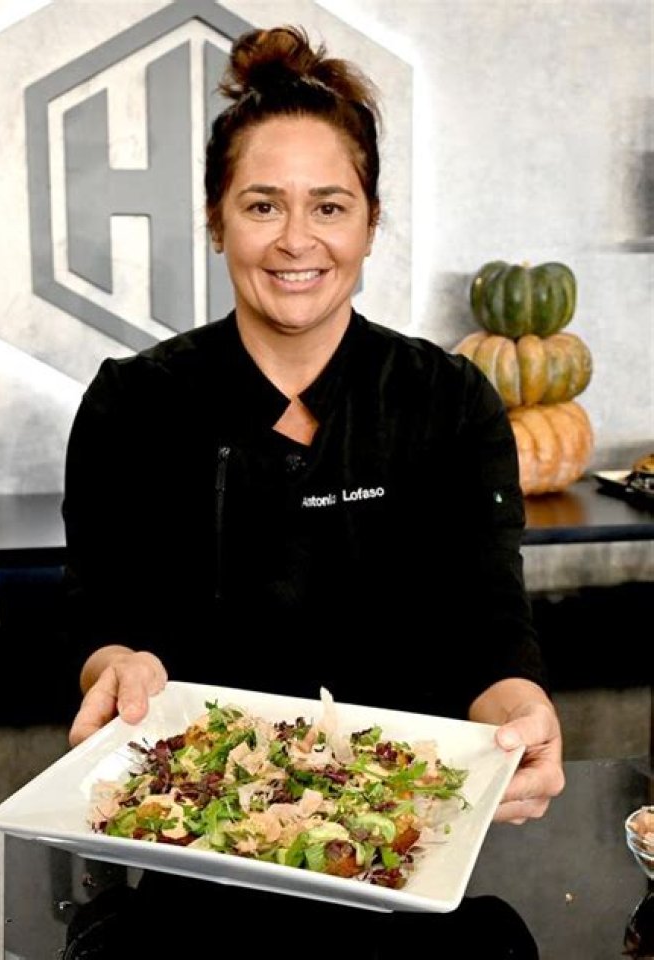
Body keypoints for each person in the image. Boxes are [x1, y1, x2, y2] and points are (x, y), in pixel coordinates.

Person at [63, 25, 564, 837]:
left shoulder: (448, 400)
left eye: (329, 207)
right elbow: (100, 617)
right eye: (263, 206)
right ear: (217, 221)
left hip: (407, 826)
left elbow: (490, 623)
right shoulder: (135, 402)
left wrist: (521, 712)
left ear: (371, 222)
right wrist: (117, 667)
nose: (297, 240)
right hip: (189, 824)